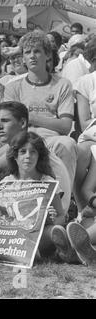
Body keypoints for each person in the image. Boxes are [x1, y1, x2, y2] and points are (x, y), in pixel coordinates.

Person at [2, 31, 77, 189]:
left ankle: (64, 202)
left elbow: (65, 126)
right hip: (19, 139)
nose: (32, 56)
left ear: (47, 54)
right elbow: (9, 124)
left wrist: (31, 117)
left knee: (68, 143)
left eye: (37, 51)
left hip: (50, 140)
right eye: (27, 52)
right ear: (23, 57)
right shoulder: (12, 87)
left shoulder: (63, 84)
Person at [73, 40, 96, 211]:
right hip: (93, 133)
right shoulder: (86, 81)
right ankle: (82, 207)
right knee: (81, 152)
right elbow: (84, 121)